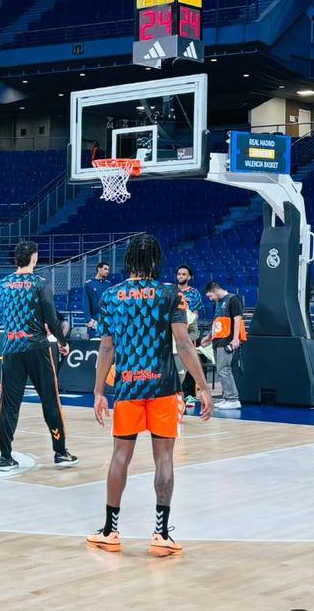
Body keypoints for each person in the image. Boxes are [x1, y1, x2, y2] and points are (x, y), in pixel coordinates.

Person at [87, 234, 213, 557]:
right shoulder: (170, 293)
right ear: (156, 261)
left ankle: (109, 531)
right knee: (164, 459)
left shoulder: (112, 296)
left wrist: (99, 390)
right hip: (163, 388)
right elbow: (184, 344)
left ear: (128, 260)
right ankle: (161, 534)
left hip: (127, 388)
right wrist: (201, 385)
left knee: (119, 458)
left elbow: (106, 347)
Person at [0, 241, 79, 471]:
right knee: (50, 399)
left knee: (9, 404)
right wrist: (62, 342)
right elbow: (51, 317)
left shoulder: (1, 285)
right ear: (34, 258)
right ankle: (60, 452)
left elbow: (4, 314)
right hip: (37, 348)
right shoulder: (39, 283)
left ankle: (5, 456)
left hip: (11, 349)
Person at [202, 281, 245, 410]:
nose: (210, 299)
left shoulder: (233, 299)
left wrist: (235, 339)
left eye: (210, 296)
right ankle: (227, 397)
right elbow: (216, 323)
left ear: (216, 291)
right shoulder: (218, 303)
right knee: (221, 370)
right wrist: (209, 337)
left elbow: (238, 319)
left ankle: (233, 398)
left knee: (224, 369)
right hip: (217, 340)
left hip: (227, 340)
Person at [173, 265, 204, 403]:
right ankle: (174, 393)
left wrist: (189, 327)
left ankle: (190, 394)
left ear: (189, 277)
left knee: (190, 361)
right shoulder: (171, 291)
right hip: (172, 329)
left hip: (188, 328)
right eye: (179, 274)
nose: (180, 276)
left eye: (183, 274)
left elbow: (195, 314)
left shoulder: (194, 293)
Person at [81, 262, 112, 339]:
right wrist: (88, 320)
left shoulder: (108, 284)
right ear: (99, 269)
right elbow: (86, 302)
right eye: (105, 269)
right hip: (93, 320)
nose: (107, 271)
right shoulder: (89, 284)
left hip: (106, 320)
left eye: (108, 269)